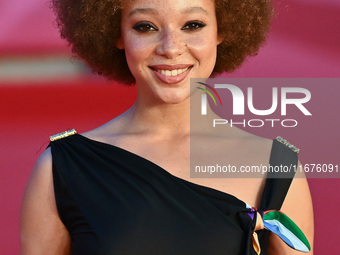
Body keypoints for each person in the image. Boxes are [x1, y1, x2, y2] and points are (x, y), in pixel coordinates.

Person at [20, 0, 314, 254]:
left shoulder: (277, 167)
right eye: (145, 27)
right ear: (116, 32)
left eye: (193, 25)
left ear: (221, 30)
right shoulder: (63, 168)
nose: (171, 48)